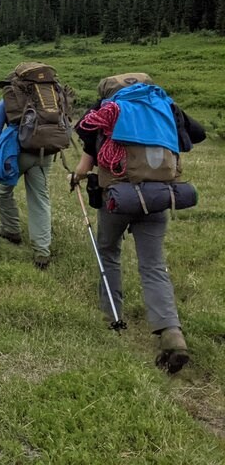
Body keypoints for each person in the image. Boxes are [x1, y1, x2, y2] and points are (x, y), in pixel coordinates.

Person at [69, 73, 206, 373]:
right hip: (159, 197)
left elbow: (84, 165)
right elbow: (198, 134)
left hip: (117, 198)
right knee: (154, 265)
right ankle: (171, 333)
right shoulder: (163, 106)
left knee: (108, 251)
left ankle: (112, 315)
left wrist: (76, 177)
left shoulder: (107, 112)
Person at [0, 97, 54, 270]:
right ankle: (42, 252)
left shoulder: (8, 99)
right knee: (40, 199)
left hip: (17, 152)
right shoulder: (49, 99)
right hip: (44, 152)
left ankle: (11, 229)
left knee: (4, 191)